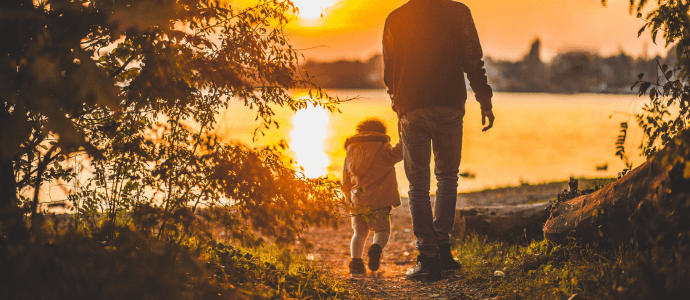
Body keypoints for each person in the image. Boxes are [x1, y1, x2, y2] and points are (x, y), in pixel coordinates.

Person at [383, 0, 495, 281]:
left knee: (418, 183)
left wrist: (397, 101)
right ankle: (442, 249)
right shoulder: (458, 12)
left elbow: (389, 67)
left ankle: (428, 257)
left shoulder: (396, 18)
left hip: (412, 107)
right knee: (447, 177)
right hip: (449, 103)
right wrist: (484, 98)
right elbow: (472, 58)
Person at [342, 118, 404, 275]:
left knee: (359, 233)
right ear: (381, 133)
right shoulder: (383, 147)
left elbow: (345, 179)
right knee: (382, 230)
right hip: (379, 201)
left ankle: (356, 263)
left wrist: (348, 198)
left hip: (357, 201)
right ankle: (375, 249)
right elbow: (399, 153)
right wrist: (404, 135)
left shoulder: (351, 150)